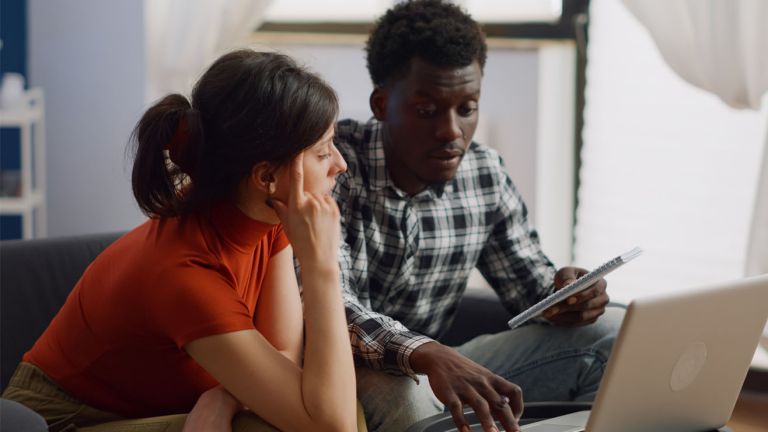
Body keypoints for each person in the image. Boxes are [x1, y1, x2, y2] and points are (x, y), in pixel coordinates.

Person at [2, 50, 358, 432]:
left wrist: (224, 395)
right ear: (266, 177)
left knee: (342, 404)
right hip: (60, 420)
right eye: (323, 152)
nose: (341, 164)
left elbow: (284, 356)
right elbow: (332, 426)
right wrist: (321, 267)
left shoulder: (268, 217)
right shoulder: (184, 272)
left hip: (155, 405)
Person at [332, 1, 624, 431]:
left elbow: (532, 292)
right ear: (381, 104)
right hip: (349, 369)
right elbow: (333, 308)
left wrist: (568, 297)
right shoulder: (333, 168)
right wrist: (426, 352)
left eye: (467, 108)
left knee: (613, 333)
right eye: (427, 111)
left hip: (438, 361)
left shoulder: (484, 173)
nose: (452, 131)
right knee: (403, 391)